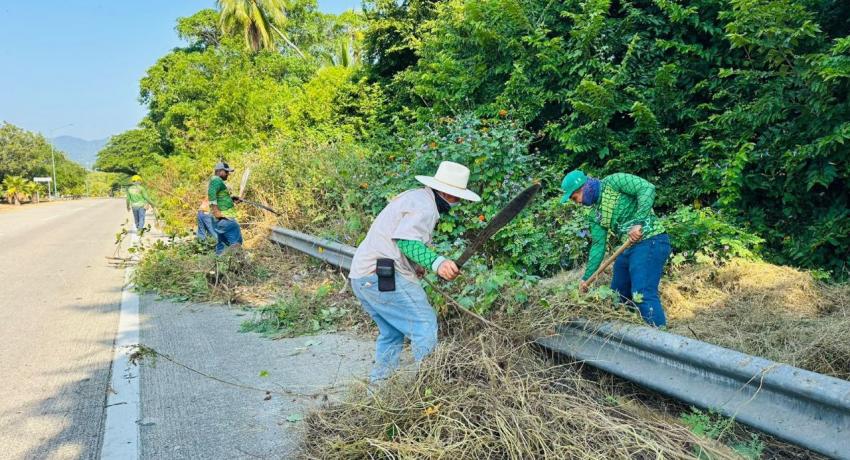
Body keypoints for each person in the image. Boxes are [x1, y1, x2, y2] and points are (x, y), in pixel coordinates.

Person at [349, 161, 481, 382]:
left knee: (392, 334)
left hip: (362, 277)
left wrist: (416, 266)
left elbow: (394, 238)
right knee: (424, 324)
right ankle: (429, 389)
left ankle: (379, 388)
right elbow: (406, 242)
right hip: (382, 277)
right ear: (447, 193)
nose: (458, 202)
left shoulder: (415, 198)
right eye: (457, 197)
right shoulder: (425, 207)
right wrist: (438, 263)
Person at [561, 169, 671, 327]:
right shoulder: (594, 213)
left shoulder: (614, 181)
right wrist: (587, 278)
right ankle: (633, 337)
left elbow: (647, 188)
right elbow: (598, 245)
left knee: (642, 293)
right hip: (628, 248)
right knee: (617, 296)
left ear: (583, 187)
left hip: (651, 240)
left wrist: (638, 222)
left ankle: (661, 340)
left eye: (574, 197)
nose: (576, 202)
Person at [208, 161, 243, 255]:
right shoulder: (216, 180)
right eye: (226, 171)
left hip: (222, 219)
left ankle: (219, 266)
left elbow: (219, 197)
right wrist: (216, 212)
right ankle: (238, 266)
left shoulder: (217, 181)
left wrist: (231, 199)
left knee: (222, 245)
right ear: (220, 171)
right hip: (225, 218)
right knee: (236, 243)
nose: (228, 174)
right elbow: (211, 195)